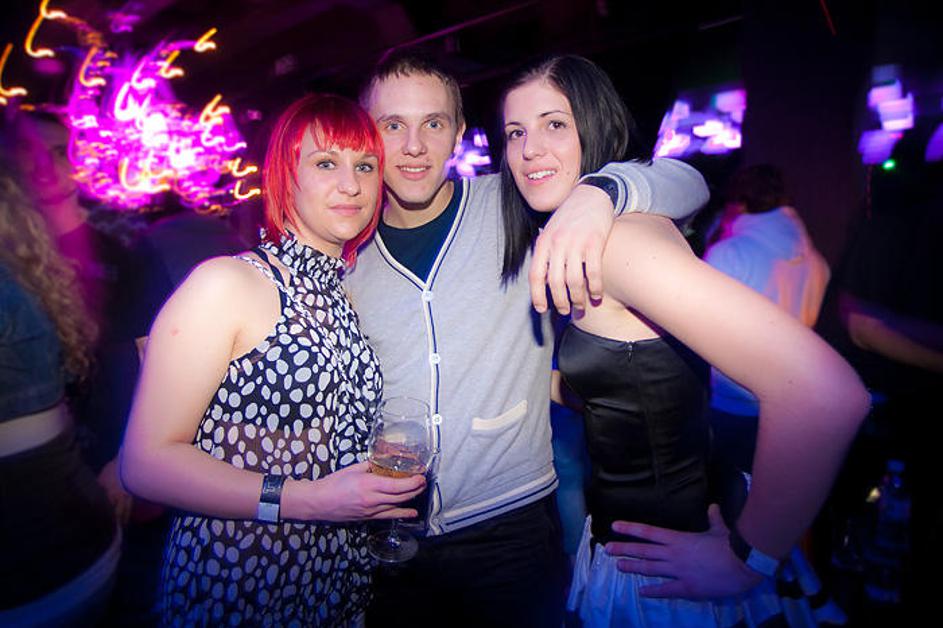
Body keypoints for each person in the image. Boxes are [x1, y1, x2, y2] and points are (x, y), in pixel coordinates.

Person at [499, 54, 870, 627]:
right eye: (515, 132)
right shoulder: (604, 231)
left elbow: (826, 393)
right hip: (651, 545)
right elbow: (634, 385)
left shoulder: (618, 243)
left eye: (554, 124)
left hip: (664, 576)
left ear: (594, 127)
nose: (529, 150)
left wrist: (747, 559)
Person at [347, 51, 709, 627]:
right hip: (389, 536)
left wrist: (600, 194)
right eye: (393, 125)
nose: (414, 146)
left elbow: (687, 181)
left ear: (459, 134)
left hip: (509, 529)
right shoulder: (347, 253)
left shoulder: (512, 203)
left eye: (433, 123)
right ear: (367, 134)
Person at [119, 93, 426, 626]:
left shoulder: (343, 295)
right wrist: (312, 501)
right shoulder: (228, 283)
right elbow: (143, 465)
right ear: (287, 175)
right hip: (240, 584)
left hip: (335, 583)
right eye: (325, 163)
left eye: (365, 166)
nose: (351, 185)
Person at [0, 159, 121, 626]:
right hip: (79, 537)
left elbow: (135, 357)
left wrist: (125, 463)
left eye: (58, 154)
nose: (50, 169)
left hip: (41, 570)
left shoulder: (113, 250)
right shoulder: (32, 276)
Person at [704, 164, 830, 473]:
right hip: (792, 403)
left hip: (733, 404)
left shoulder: (730, 254)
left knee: (726, 493)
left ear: (739, 204)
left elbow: (701, 330)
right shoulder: (816, 260)